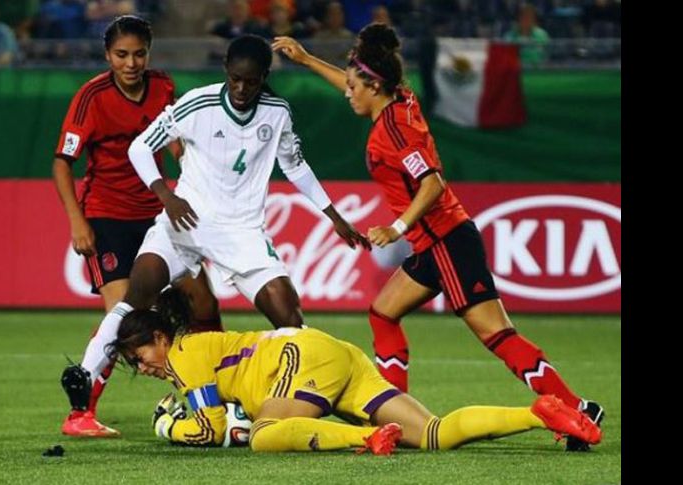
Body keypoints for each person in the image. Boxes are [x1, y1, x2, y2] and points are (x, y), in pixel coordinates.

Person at [271, 24, 604, 452]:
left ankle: (576, 410)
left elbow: (433, 184)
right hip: (436, 244)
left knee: (497, 335)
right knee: (383, 312)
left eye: (354, 86)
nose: (347, 92)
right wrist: (307, 61)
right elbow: (356, 83)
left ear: (374, 85)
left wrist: (397, 228)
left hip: (446, 240)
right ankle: (396, 414)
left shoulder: (394, 132)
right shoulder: (399, 101)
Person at [102, 290, 601, 453]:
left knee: (264, 433)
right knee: (431, 434)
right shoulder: (188, 358)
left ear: (160, 339)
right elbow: (218, 409)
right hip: (333, 356)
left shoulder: (186, 353)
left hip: (297, 358)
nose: (141, 367)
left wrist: (170, 427)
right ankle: (538, 414)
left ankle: (363, 439)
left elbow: (211, 427)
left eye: (139, 356)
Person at [127, 34, 370, 332]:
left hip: (242, 231)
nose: (241, 89)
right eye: (235, 79)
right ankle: (90, 374)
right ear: (226, 69)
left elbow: (295, 167)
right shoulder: (197, 102)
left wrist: (334, 215)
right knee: (134, 302)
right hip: (189, 221)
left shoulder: (277, 112)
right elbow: (139, 147)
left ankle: (304, 374)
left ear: (264, 77)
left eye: (251, 82)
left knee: (290, 318)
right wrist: (167, 196)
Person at [53, 15, 221, 438]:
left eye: (139, 54)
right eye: (121, 55)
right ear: (108, 55)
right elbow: (62, 163)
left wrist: (186, 164)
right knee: (122, 315)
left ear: (149, 52)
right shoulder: (91, 97)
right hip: (108, 217)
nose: (131, 63)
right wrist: (78, 221)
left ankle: (221, 393)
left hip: (159, 214)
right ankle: (80, 413)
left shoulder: (163, 87)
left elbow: (179, 137)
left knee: (203, 303)